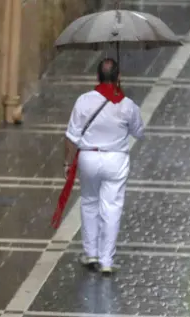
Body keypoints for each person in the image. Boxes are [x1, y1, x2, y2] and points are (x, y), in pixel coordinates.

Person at [63, 58, 144, 275]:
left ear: (97, 77)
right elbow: (138, 132)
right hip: (116, 160)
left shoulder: (83, 101)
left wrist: (67, 162)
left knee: (89, 202)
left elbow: (71, 135)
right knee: (112, 207)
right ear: (118, 78)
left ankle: (91, 253)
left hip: (89, 158)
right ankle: (107, 260)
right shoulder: (127, 105)